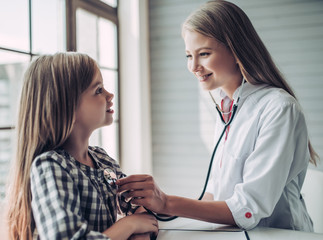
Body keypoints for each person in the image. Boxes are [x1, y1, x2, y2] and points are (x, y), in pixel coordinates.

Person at [116, 0, 319, 232]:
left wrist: (167, 201)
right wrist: (155, 209)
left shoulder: (279, 108)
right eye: (188, 56)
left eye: (203, 53)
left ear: (236, 50)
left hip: (280, 235)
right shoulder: (227, 106)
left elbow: (247, 208)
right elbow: (216, 193)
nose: (193, 66)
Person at [5, 52, 158, 240]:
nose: (110, 95)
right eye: (98, 90)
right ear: (66, 106)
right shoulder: (51, 167)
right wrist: (129, 225)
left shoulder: (102, 160)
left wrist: (138, 227)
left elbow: (141, 209)